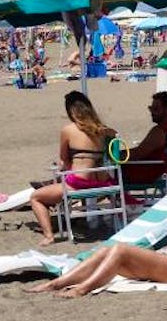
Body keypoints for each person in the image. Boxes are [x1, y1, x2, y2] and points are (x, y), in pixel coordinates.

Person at [29, 91, 118, 246]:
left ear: (70, 111)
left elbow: (64, 160)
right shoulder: (105, 130)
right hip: (103, 182)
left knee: (36, 197)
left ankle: (49, 236)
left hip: (79, 183)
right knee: (64, 180)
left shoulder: (69, 130)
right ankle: (82, 219)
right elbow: (113, 155)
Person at [25, 238, 167, 297]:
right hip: (165, 258)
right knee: (106, 251)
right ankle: (56, 284)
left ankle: (82, 289)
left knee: (120, 250)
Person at [121, 91, 167, 185]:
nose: (152, 112)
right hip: (165, 170)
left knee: (107, 172)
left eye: (156, 108)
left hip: (148, 173)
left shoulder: (159, 131)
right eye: (151, 108)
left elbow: (137, 154)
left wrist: (115, 156)